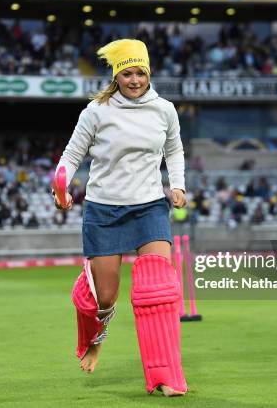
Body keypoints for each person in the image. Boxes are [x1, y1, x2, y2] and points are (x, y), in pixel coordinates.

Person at [52, 39, 188, 397]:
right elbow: (71, 155)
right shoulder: (96, 111)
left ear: (148, 73)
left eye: (140, 72)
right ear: (116, 76)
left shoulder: (164, 110)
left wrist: (178, 186)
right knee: (104, 299)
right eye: (127, 73)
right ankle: (95, 338)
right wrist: (61, 187)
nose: (134, 79)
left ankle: (166, 376)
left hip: (149, 206)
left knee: (160, 289)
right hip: (104, 209)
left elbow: (174, 148)